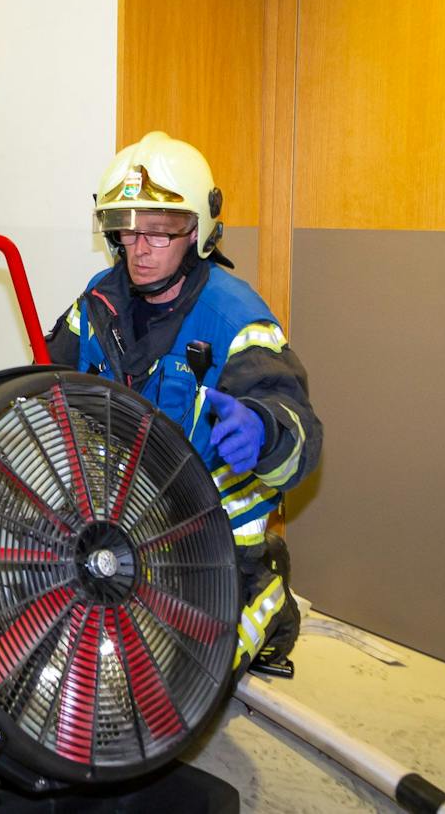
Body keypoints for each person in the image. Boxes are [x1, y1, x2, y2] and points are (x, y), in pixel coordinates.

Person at [46, 131, 322, 678]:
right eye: (125, 230)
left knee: (181, 683)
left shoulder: (236, 317)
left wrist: (264, 432)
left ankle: (267, 598)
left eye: (159, 232)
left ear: (198, 231)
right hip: (118, 518)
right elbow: (43, 374)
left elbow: (301, 435)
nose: (138, 248)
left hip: (211, 537)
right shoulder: (99, 299)